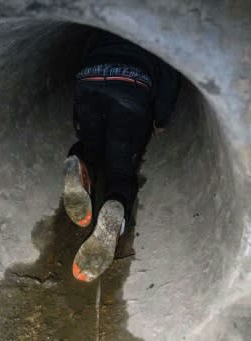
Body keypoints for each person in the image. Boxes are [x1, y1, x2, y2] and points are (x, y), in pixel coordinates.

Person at [62, 30, 180, 282]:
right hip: (133, 87)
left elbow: (85, 54)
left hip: (90, 80)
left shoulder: (104, 21)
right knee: (120, 170)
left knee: (92, 147)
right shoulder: (159, 27)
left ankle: (80, 165)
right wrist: (160, 119)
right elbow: (169, 77)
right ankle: (115, 209)